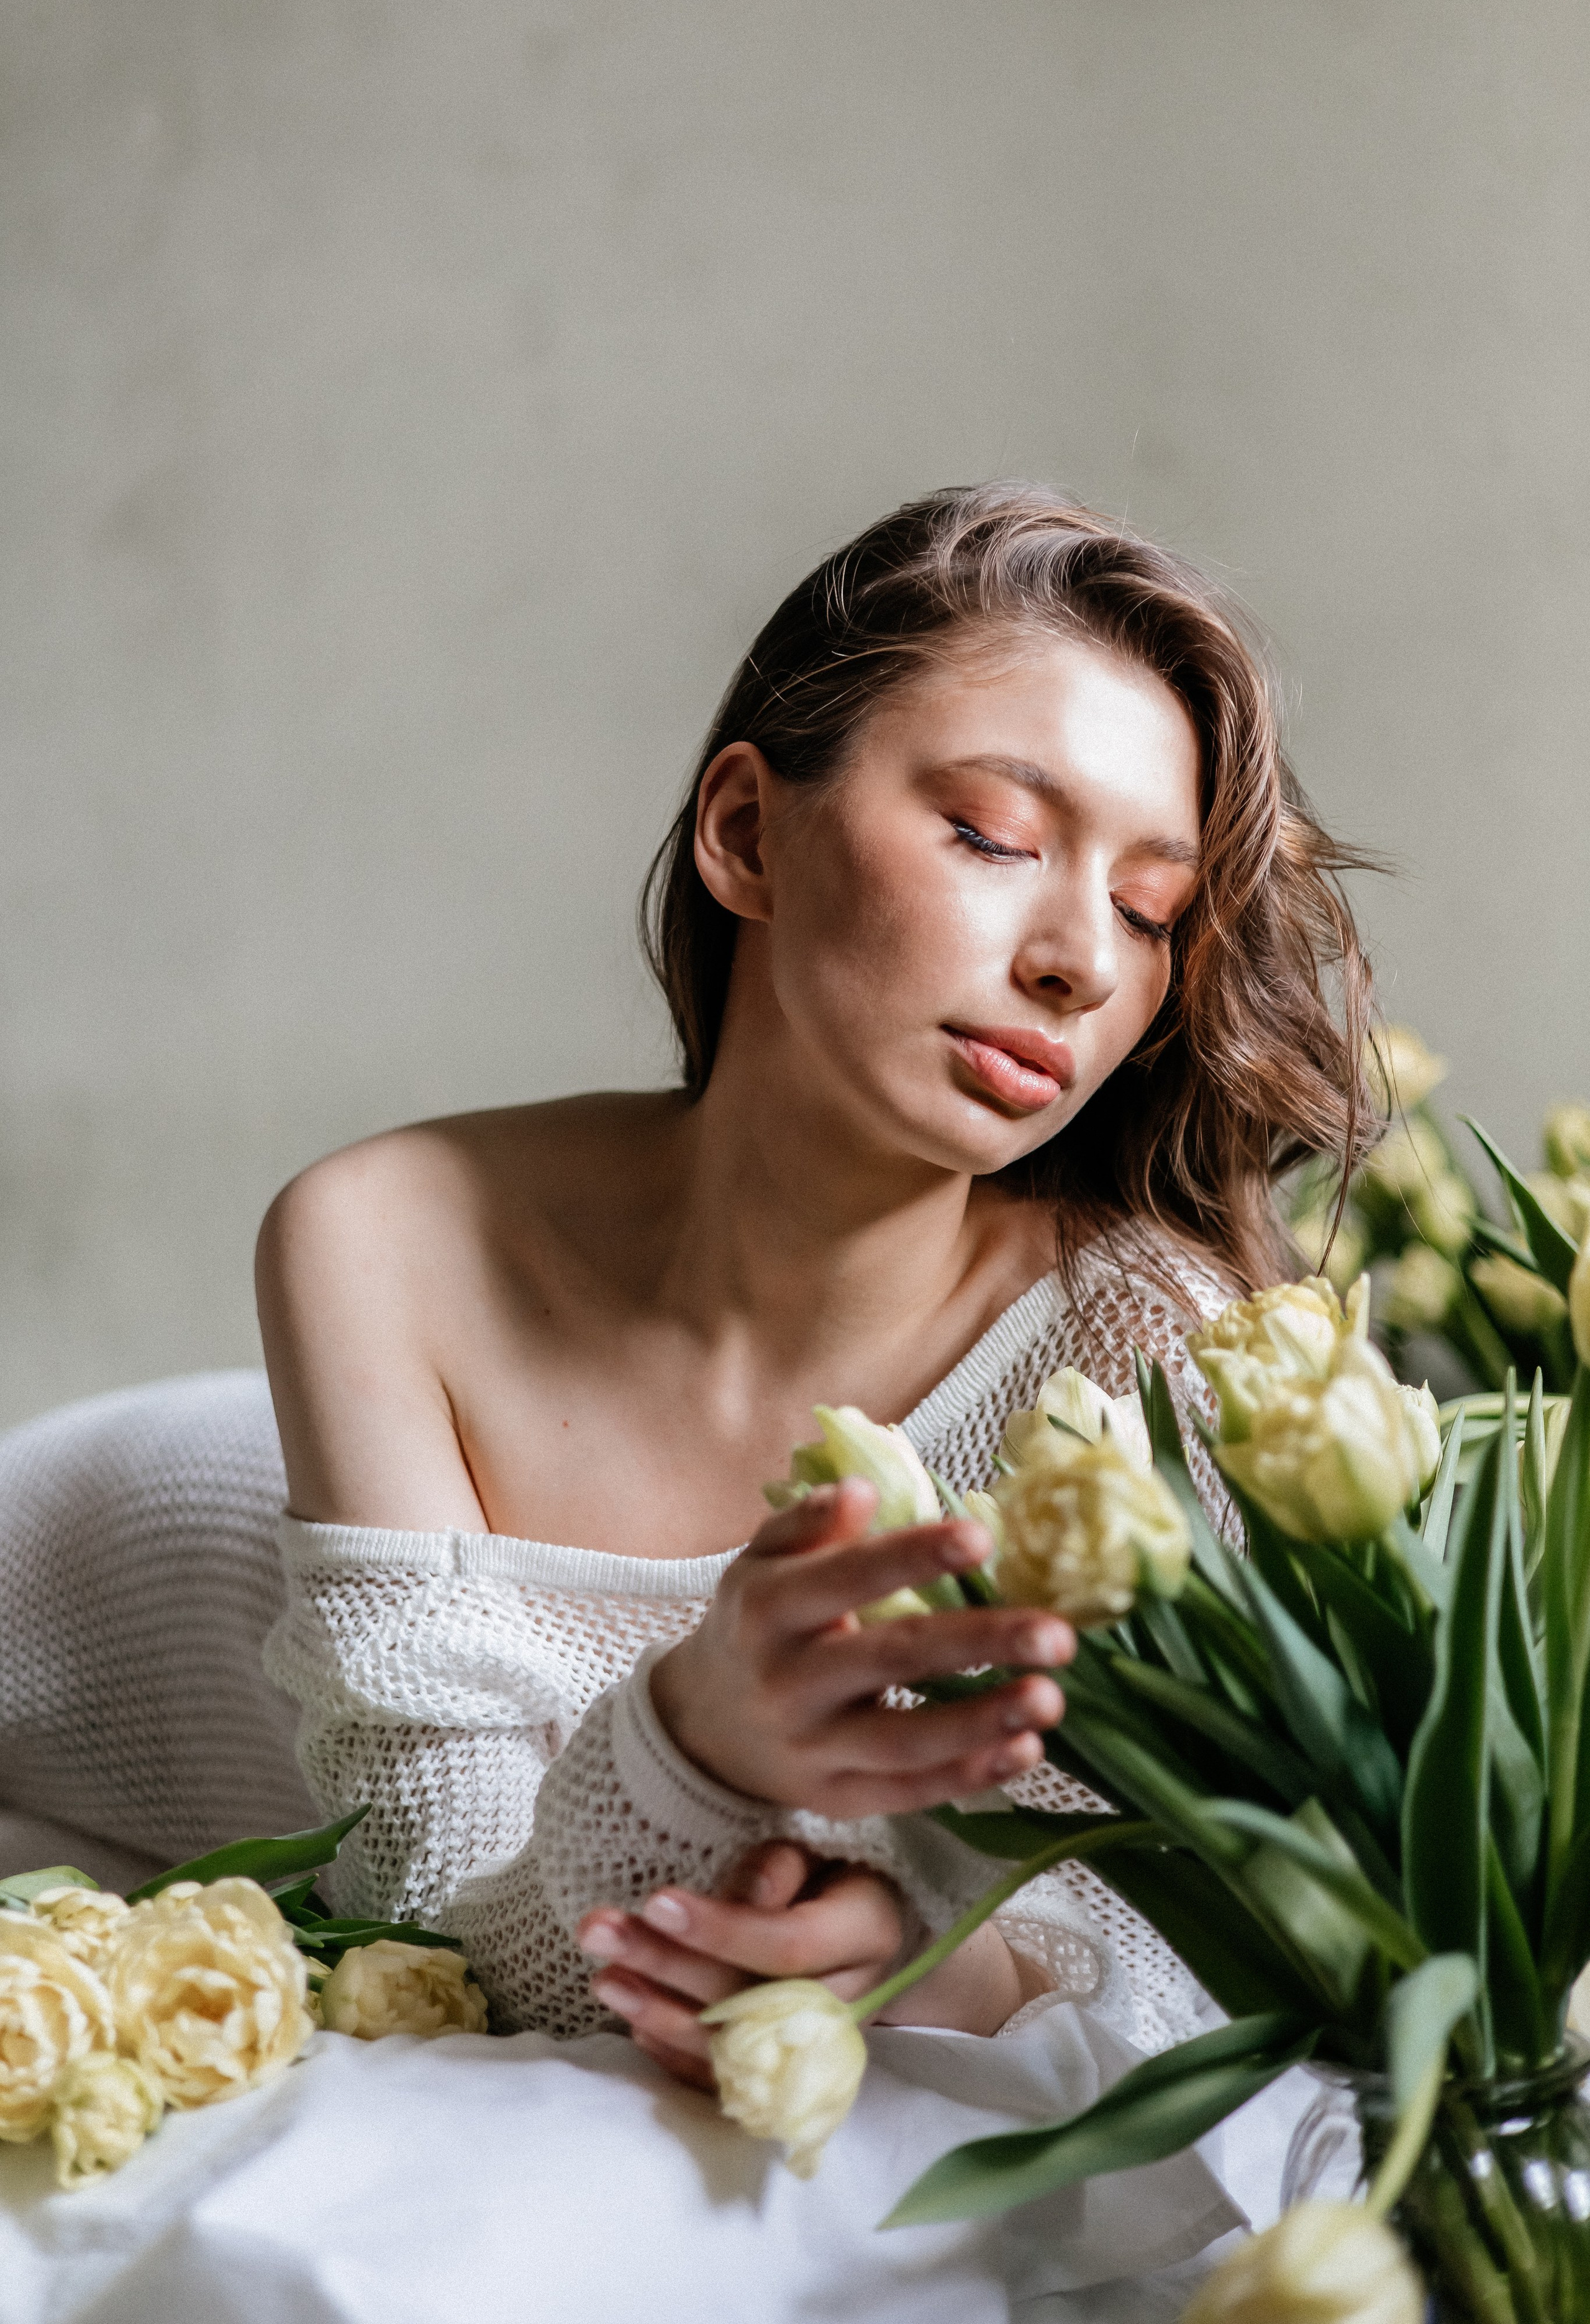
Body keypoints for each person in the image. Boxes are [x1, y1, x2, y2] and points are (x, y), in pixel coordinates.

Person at [255, 483, 1371, 2089]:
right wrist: (687, 1734)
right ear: (746, 831)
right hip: (97, 1574)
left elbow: (1236, 1956)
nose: (1079, 959)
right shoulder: (379, 1238)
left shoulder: (1152, 1350)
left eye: (1149, 912)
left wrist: (949, 1962)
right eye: (993, 833)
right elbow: (432, 1939)